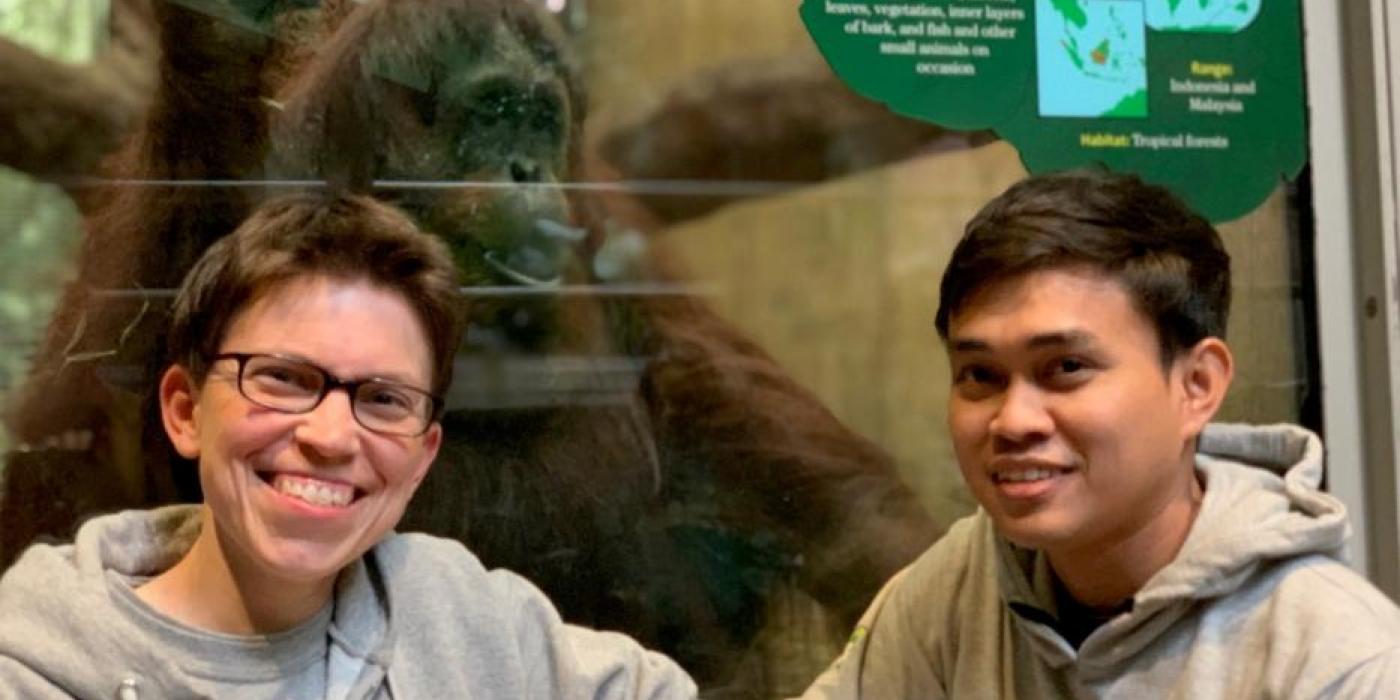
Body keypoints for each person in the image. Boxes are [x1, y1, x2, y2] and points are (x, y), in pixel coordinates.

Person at [0, 193, 696, 699]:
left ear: (423, 457)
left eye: (384, 399)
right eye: (281, 379)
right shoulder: (36, 664)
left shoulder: (465, 619)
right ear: (185, 411)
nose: (331, 437)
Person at [799, 170, 1400, 698]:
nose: (1013, 421)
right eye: (980, 376)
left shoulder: (1339, 660)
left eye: (1065, 369)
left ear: (1197, 386)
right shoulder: (955, 588)